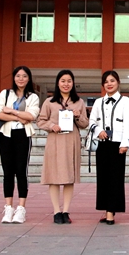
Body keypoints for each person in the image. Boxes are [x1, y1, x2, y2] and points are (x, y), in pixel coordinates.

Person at [37, 70, 89, 224]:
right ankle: (56, 211)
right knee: (53, 177)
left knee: (68, 177)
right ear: (58, 83)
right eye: (63, 81)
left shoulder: (79, 102)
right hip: (55, 140)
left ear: (73, 83)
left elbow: (85, 124)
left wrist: (78, 116)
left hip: (71, 141)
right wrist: (52, 126)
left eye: (69, 81)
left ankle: (66, 211)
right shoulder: (49, 102)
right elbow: (40, 121)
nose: (66, 84)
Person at [0, 66, 40, 224]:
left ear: (29, 79)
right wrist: (19, 117)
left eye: (24, 76)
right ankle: (8, 208)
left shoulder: (32, 97)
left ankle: (21, 208)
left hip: (23, 135)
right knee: (7, 172)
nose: (21, 79)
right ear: (14, 78)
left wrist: (11, 111)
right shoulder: (6, 94)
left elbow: (31, 116)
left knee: (21, 171)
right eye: (18, 76)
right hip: (5, 135)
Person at [89, 70, 129, 225]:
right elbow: (92, 121)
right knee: (103, 178)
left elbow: (127, 123)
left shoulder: (125, 101)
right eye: (106, 81)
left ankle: (110, 213)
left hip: (117, 144)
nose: (109, 84)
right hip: (102, 143)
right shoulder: (98, 102)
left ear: (118, 82)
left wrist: (125, 143)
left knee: (116, 178)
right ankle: (107, 209)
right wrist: (98, 130)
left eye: (112, 80)